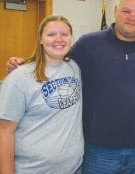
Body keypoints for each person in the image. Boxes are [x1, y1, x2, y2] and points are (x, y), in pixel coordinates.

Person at [6, 0, 135, 174]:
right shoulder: (88, 44)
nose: (132, 18)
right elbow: (56, 57)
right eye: (126, 11)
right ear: (115, 10)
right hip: (99, 151)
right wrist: (23, 64)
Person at [0, 14, 84, 173]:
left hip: (73, 169)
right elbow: (5, 131)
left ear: (71, 38)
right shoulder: (20, 77)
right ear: (40, 39)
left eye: (64, 34)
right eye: (51, 34)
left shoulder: (74, 68)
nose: (59, 39)